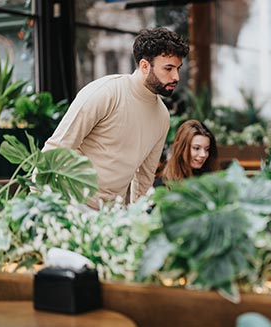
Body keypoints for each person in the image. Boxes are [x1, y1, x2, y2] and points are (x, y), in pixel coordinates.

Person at [42, 27, 189, 209]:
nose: (176, 76)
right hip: (70, 205)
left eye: (178, 68)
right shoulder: (105, 92)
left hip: (111, 216)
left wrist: (138, 219)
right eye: (168, 68)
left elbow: (144, 177)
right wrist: (35, 205)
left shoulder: (162, 116)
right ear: (144, 66)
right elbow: (57, 148)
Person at [154, 119, 219, 186]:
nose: (203, 154)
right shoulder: (163, 184)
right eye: (196, 148)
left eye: (207, 149)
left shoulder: (211, 179)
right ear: (181, 148)